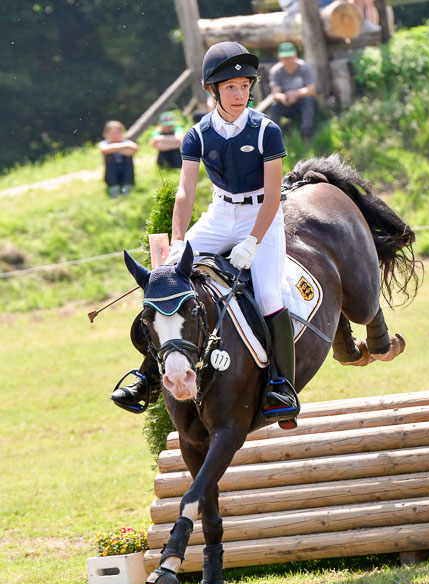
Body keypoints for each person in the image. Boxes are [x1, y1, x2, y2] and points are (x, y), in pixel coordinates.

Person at [111, 41, 300, 425]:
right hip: (220, 215)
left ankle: (282, 384)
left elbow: (272, 197)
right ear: (212, 90)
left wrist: (253, 241)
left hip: (262, 216)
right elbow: (185, 192)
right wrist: (178, 241)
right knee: (166, 283)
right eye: (230, 87)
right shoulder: (197, 134)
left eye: (245, 86)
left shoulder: (266, 131)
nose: (239, 94)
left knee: (269, 294)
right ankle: (148, 378)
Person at [268, 42, 317, 142]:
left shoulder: (304, 67)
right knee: (274, 105)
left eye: (290, 57)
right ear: (280, 58)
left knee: (308, 100)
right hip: (286, 103)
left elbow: (311, 89)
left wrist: (296, 94)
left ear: (295, 55)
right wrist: (283, 98)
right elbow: (275, 93)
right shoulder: (276, 71)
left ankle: (307, 133)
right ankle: (274, 135)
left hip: (302, 102)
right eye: (285, 57)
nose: (288, 60)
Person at [98, 121, 138, 197]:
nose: (115, 135)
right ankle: (113, 187)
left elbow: (134, 148)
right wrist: (124, 148)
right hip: (112, 173)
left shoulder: (127, 141)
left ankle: (127, 185)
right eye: (112, 133)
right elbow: (104, 149)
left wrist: (114, 149)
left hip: (125, 171)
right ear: (106, 134)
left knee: (128, 158)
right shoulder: (104, 143)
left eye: (117, 133)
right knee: (109, 157)